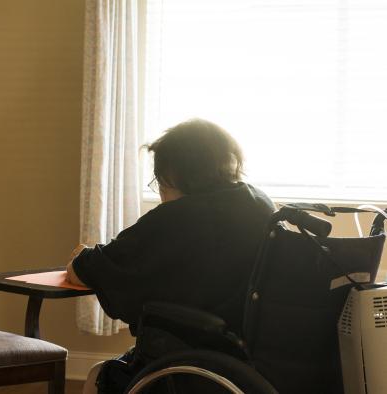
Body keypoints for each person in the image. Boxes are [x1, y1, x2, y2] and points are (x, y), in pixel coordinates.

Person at [66, 119, 275, 394]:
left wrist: (82, 254)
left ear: (174, 173)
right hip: (251, 361)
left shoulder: (177, 217)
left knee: (97, 376)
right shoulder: (261, 204)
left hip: (198, 361)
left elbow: (85, 270)